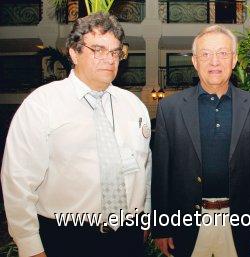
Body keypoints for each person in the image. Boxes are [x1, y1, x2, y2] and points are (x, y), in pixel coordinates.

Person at [1, 12, 151, 257]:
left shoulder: (134, 106)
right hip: (67, 237)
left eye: (115, 52)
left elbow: (144, 168)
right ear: (74, 52)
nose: (109, 59)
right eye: (98, 49)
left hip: (128, 237)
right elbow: (17, 180)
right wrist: (30, 246)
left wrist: (144, 217)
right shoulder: (42, 104)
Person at [151, 25, 250, 257]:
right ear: (195, 61)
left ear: (234, 60)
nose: (214, 61)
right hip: (187, 223)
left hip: (241, 223)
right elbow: (161, 173)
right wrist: (162, 227)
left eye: (222, 53)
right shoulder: (170, 108)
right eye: (206, 54)